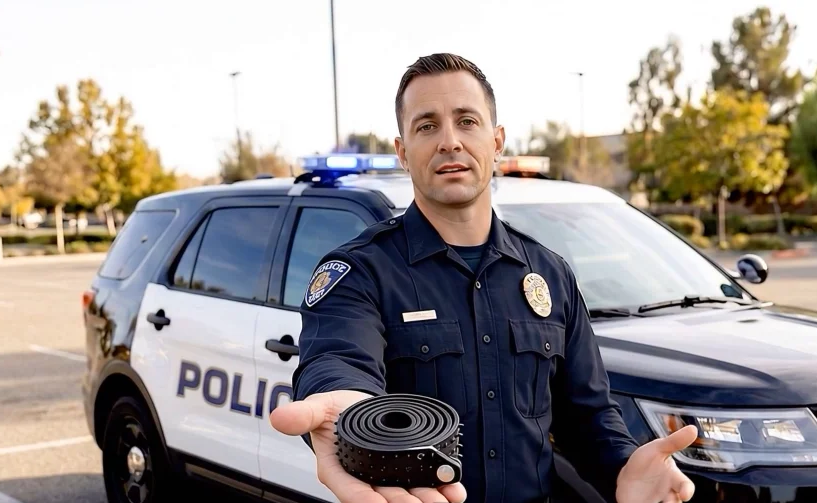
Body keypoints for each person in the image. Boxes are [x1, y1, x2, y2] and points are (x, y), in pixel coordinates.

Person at [269, 53, 698, 503]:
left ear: (496, 142)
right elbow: (339, 360)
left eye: (467, 121)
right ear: (403, 152)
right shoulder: (360, 272)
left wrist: (624, 468)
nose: (449, 141)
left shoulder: (549, 274)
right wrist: (346, 405)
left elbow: (588, 416)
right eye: (427, 126)